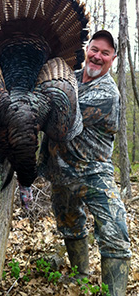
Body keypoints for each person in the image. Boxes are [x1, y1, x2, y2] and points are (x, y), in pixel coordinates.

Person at [38, 30, 131, 296]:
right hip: (61, 172)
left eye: (105, 53)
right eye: (95, 49)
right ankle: (80, 276)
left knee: (115, 232)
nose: (98, 56)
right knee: (70, 223)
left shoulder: (107, 94)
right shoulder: (72, 76)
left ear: (113, 58)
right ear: (87, 49)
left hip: (92, 173)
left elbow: (60, 116)